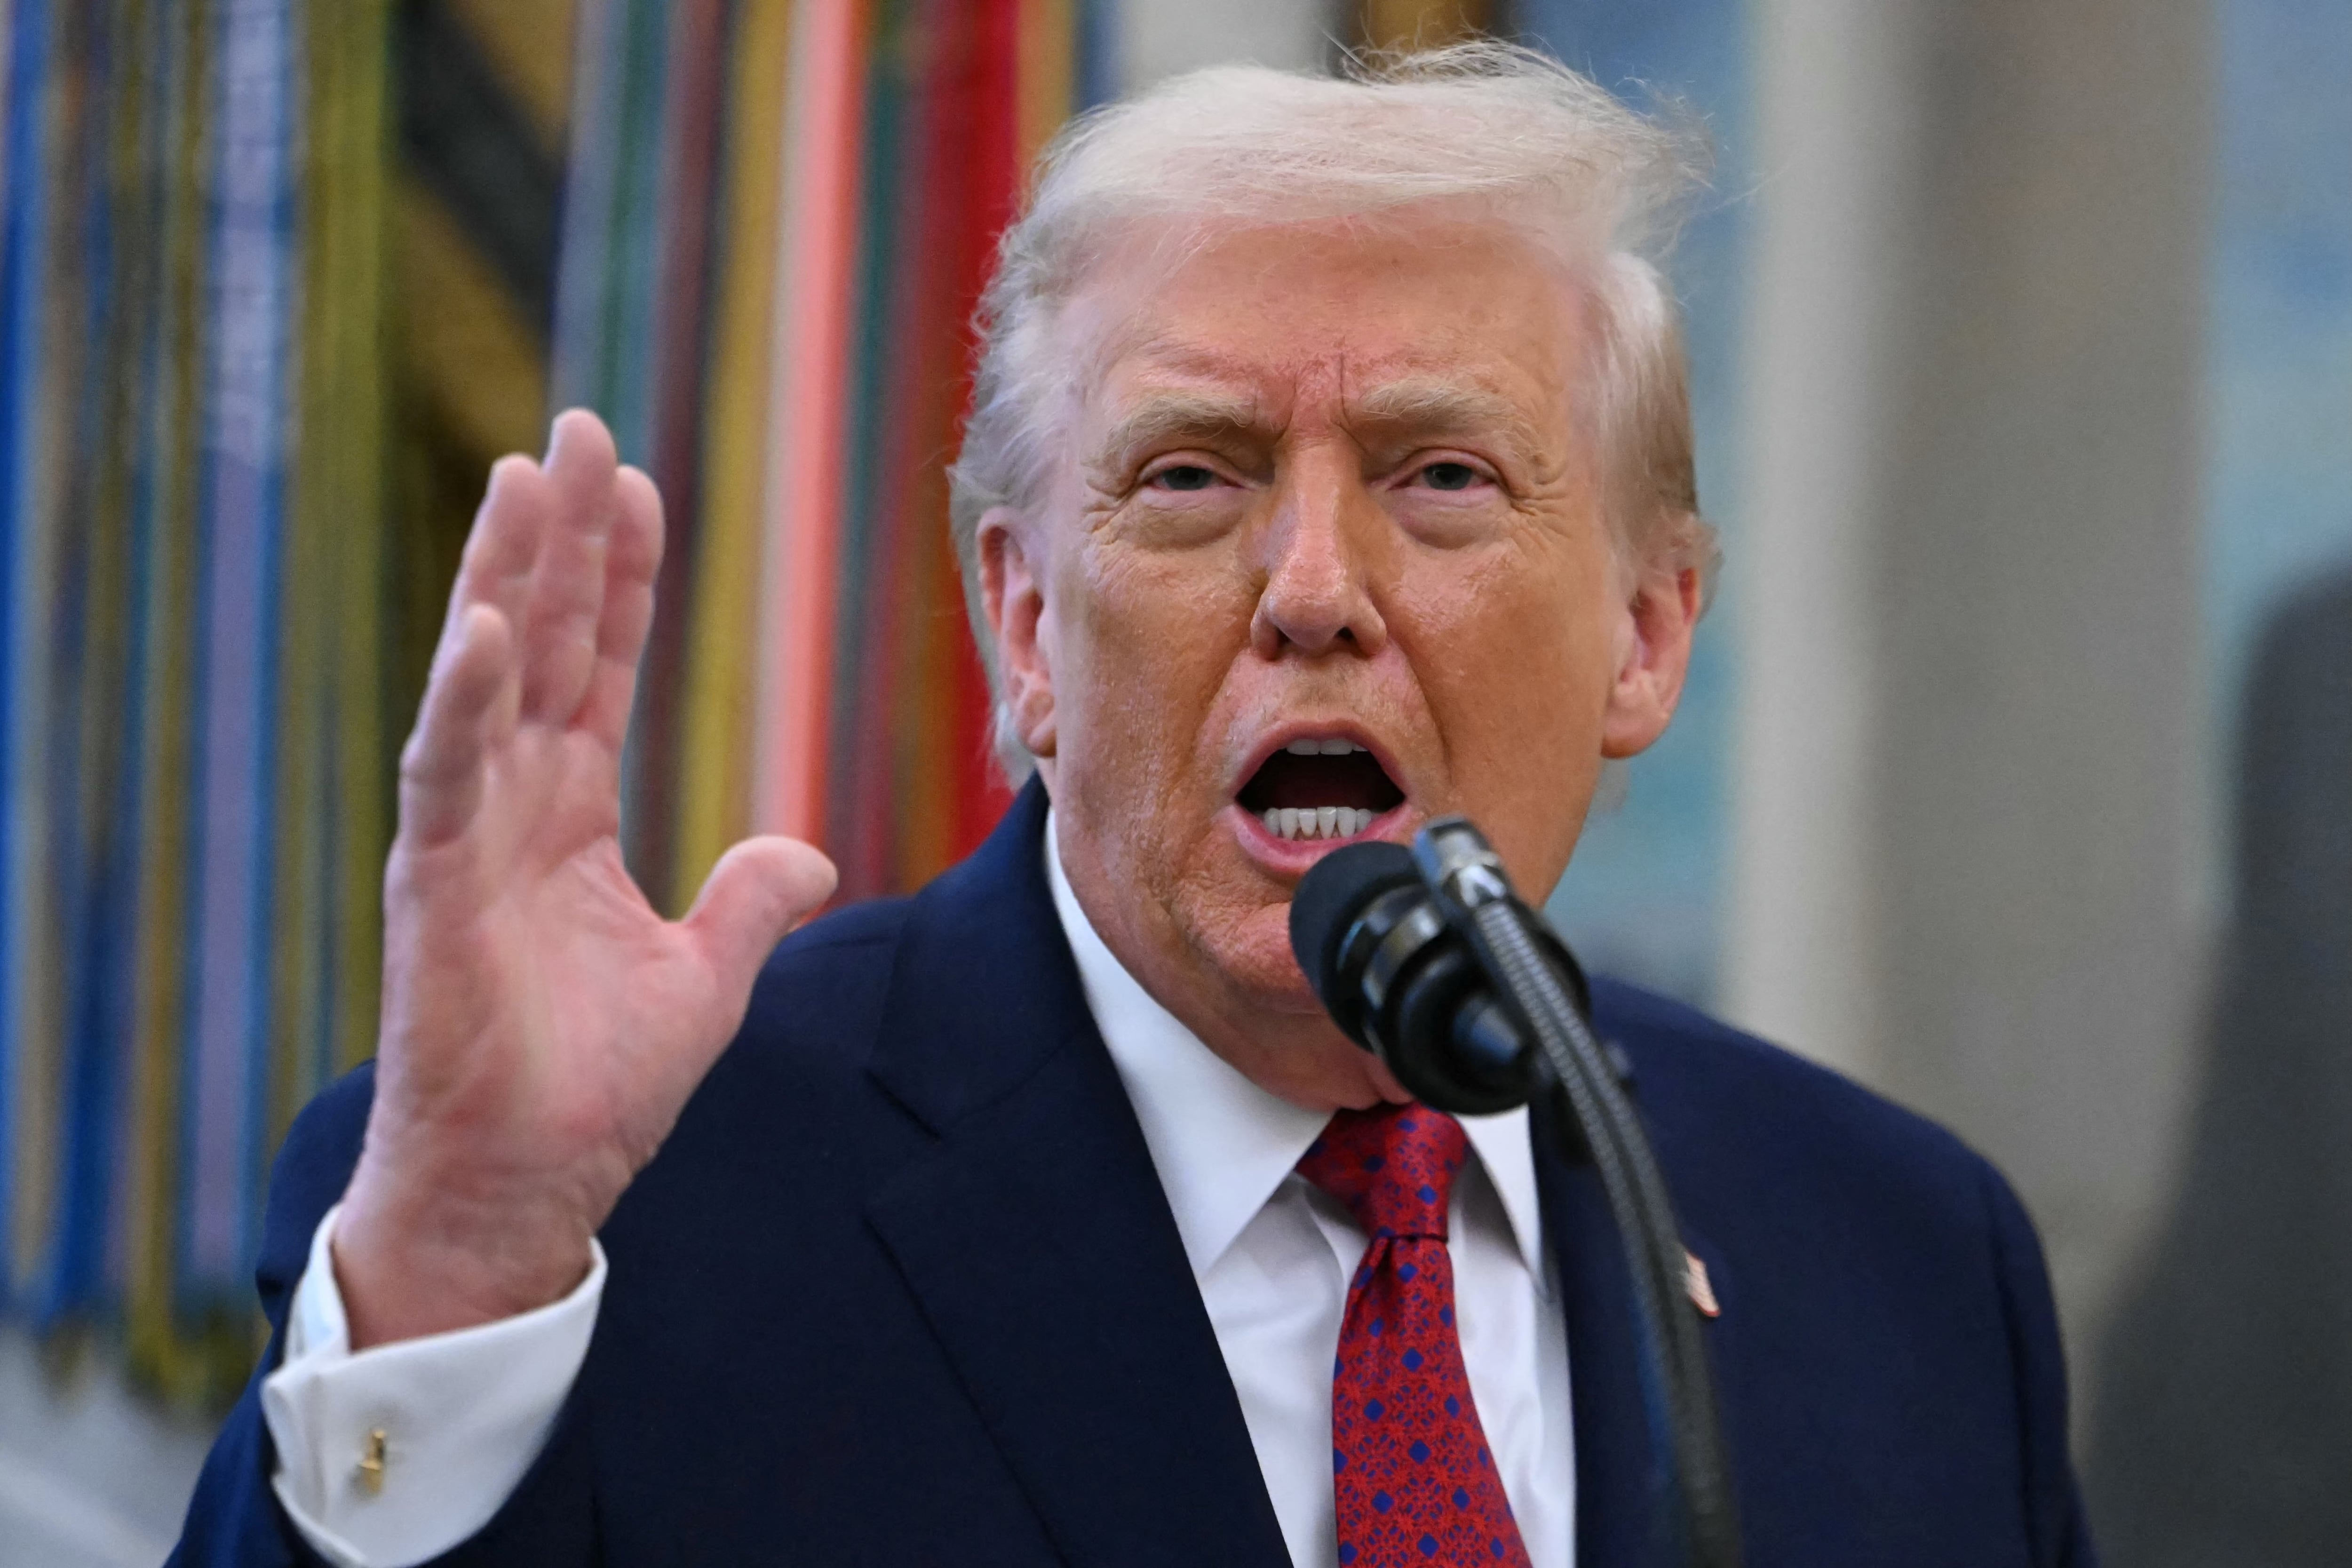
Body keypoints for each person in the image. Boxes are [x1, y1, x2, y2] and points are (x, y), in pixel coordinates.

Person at [170, 45, 2094, 1568]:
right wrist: (455, 1279)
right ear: (1025, 626)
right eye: (1191, 477)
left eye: (1440, 477)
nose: (1312, 587)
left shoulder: (1900, 1264)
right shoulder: (605, 1224)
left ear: (1646, 635)